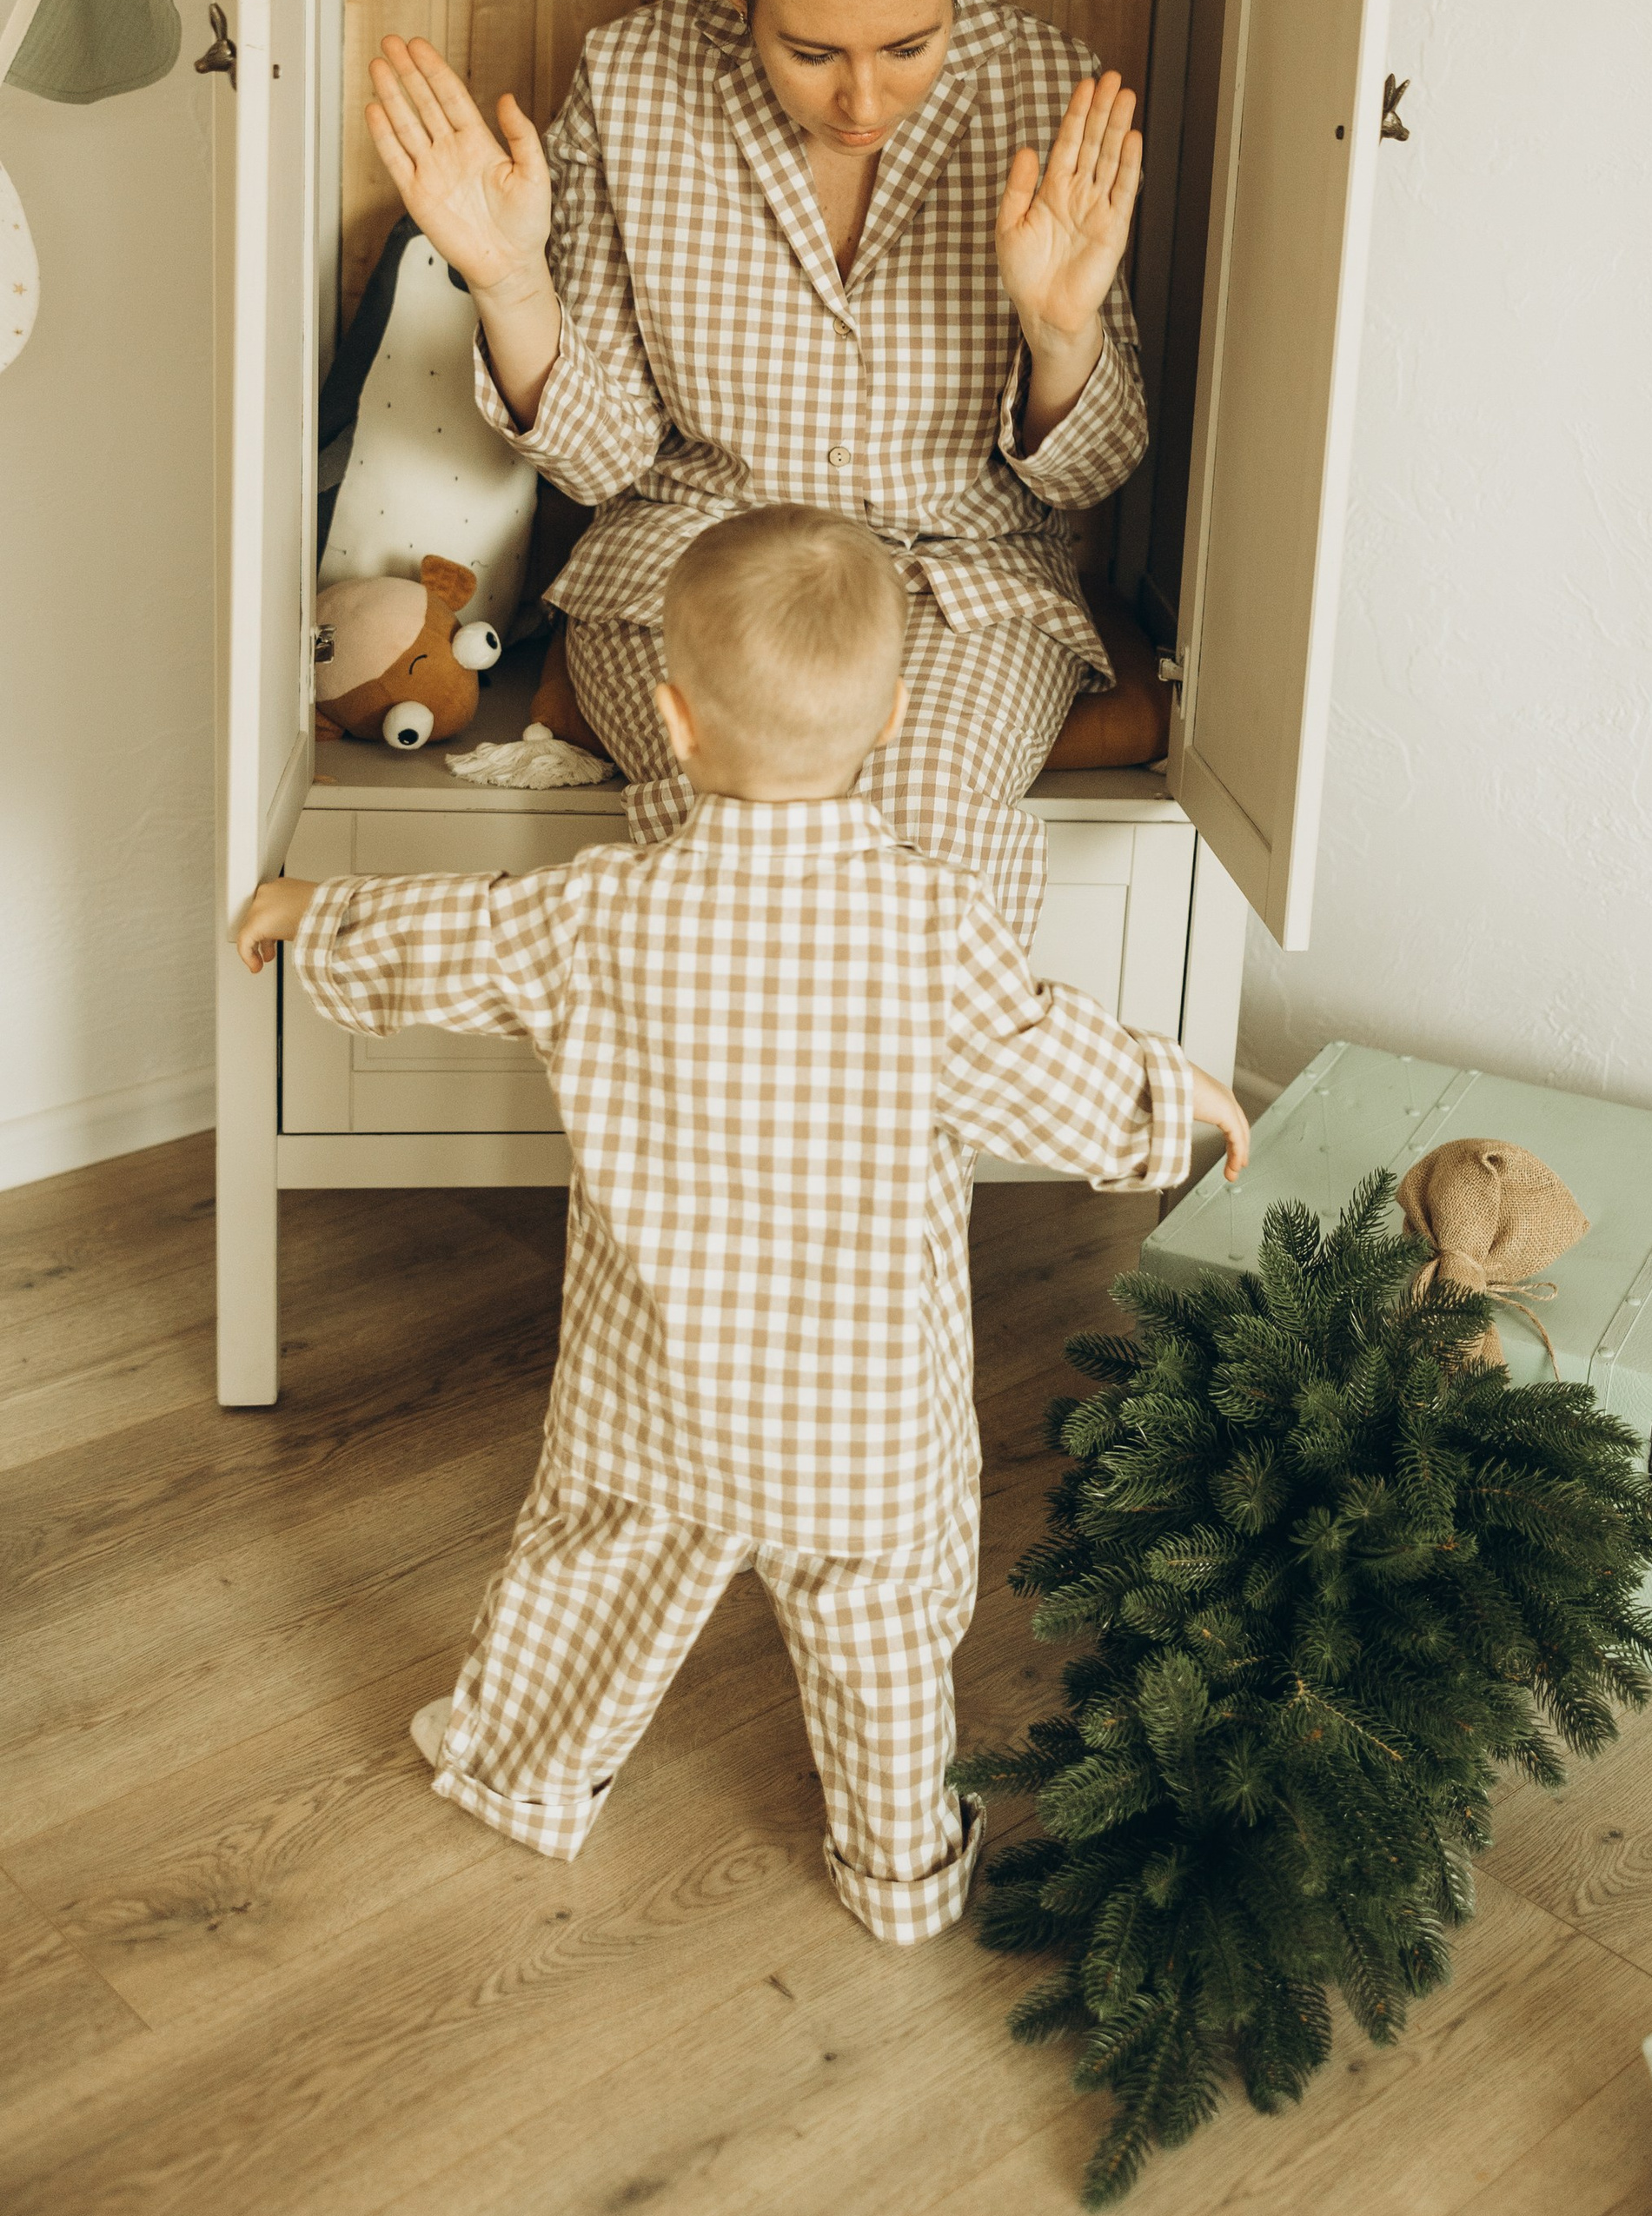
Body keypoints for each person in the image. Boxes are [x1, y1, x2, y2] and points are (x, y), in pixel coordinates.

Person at [238, 507, 1249, 1941]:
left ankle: (522, 1775)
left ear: (670, 719)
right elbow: (1045, 1065)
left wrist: (314, 912)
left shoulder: (600, 911)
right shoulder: (932, 931)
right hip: (862, 1422)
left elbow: (449, 931)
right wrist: (1167, 1092)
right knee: (879, 1639)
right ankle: (900, 1871)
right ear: (893, 721)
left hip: (653, 1398)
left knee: (590, 1577)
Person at [362, 0, 1148, 945]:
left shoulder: (1044, 85)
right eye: (812, 50)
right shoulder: (633, 79)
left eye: (911, 45)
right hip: (691, 566)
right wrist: (511, 283)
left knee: (931, 842)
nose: (864, 98)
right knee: (742, 833)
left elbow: (1088, 474)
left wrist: (1061, 333)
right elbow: (604, 460)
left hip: (959, 586)